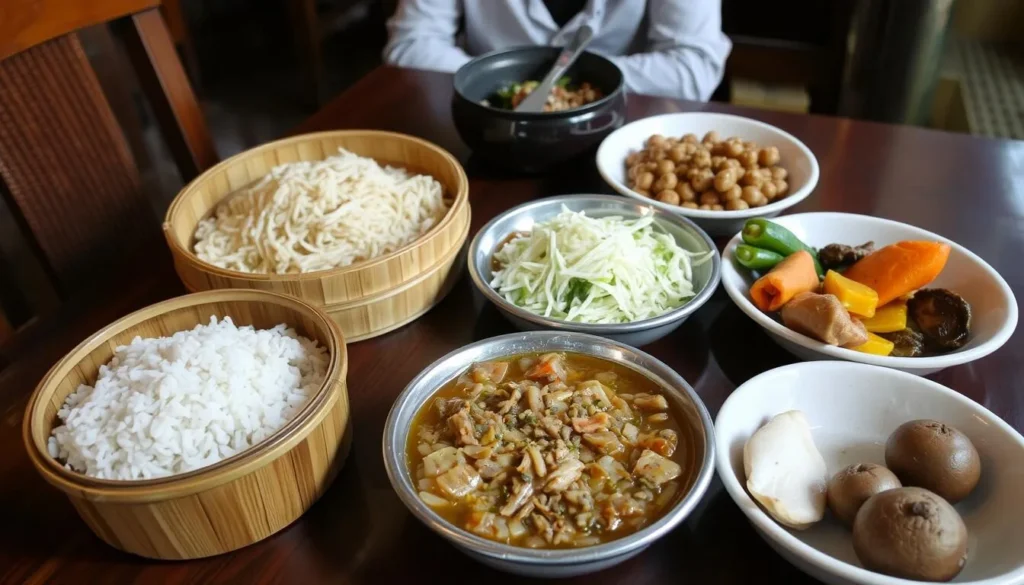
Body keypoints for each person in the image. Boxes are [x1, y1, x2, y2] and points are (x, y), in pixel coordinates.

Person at [383, 0, 731, 101]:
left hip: (625, 136)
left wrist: (569, 88)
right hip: (484, 129)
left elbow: (692, 68)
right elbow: (411, 46)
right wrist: (511, 87)